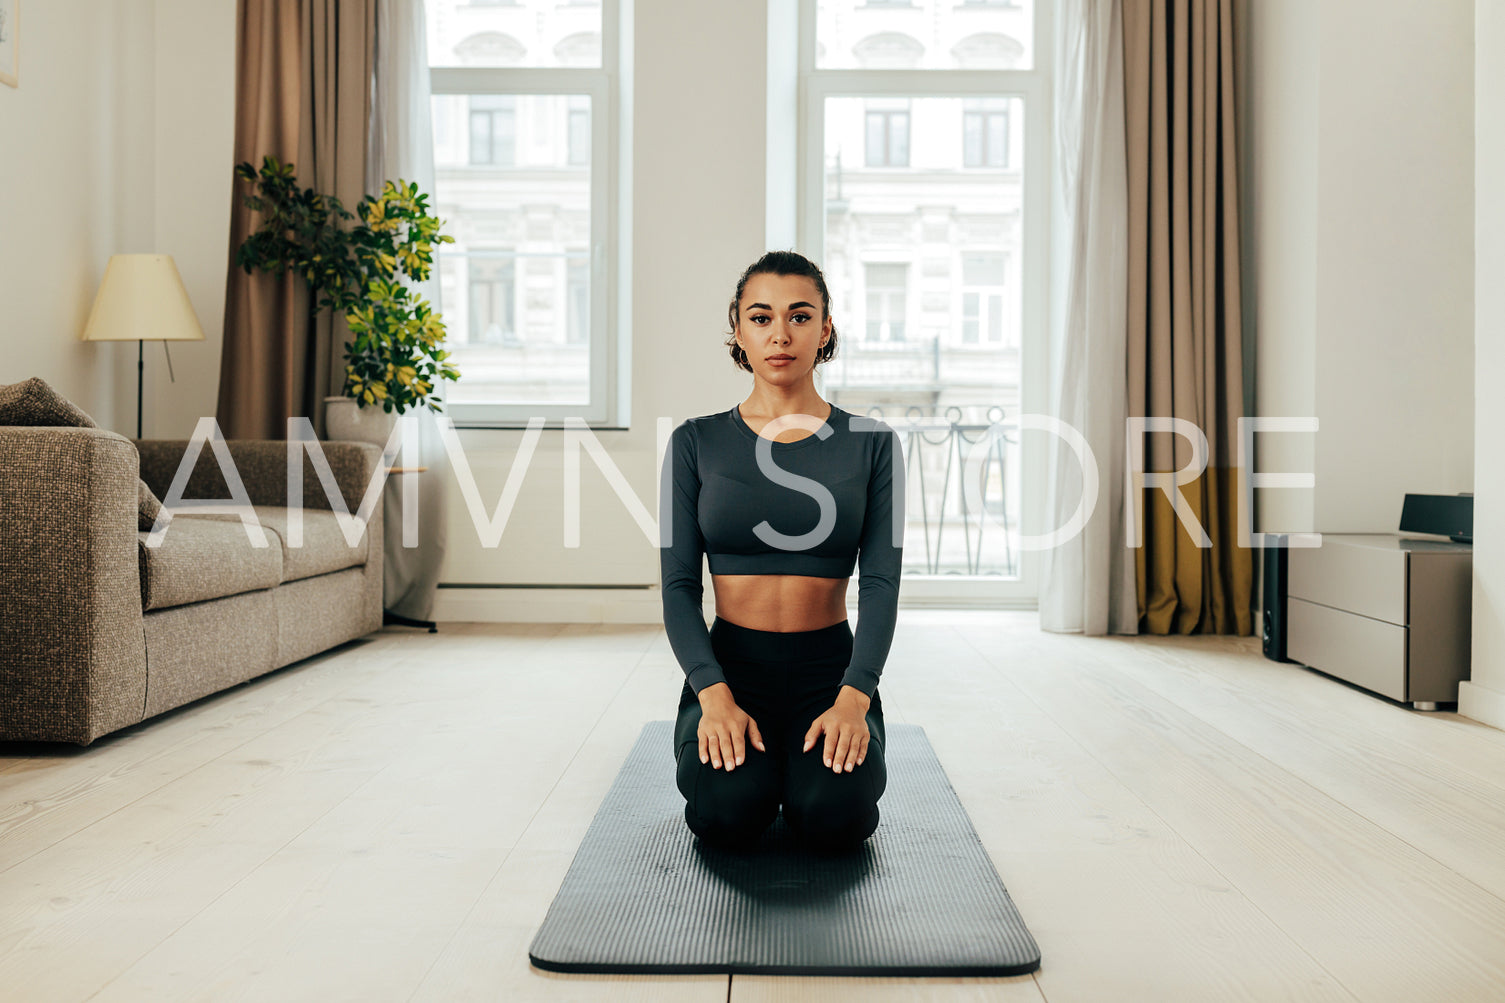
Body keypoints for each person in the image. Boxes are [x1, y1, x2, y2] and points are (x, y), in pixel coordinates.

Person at [659, 249, 904, 852]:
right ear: (738, 331)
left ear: (825, 330)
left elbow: (879, 585)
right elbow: (678, 588)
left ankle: (809, 776)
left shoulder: (873, 444)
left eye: (799, 316)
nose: (780, 334)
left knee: (833, 818)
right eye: (761, 317)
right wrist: (712, 694)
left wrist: (856, 696)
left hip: (831, 673)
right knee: (727, 814)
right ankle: (746, 767)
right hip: (731, 670)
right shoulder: (694, 442)